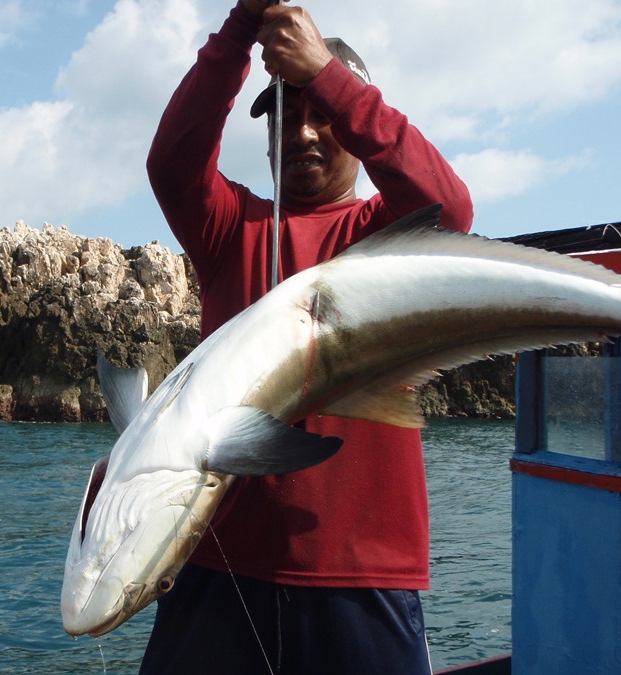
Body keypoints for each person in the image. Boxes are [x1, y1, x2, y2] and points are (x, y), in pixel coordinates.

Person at [141, 1, 473, 674]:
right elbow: (173, 164)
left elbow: (453, 207)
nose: (305, 133)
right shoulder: (231, 229)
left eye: (323, 115)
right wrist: (241, 28)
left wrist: (324, 73)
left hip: (363, 575)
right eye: (289, 116)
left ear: (357, 125)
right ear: (266, 141)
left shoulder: (389, 236)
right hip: (217, 564)